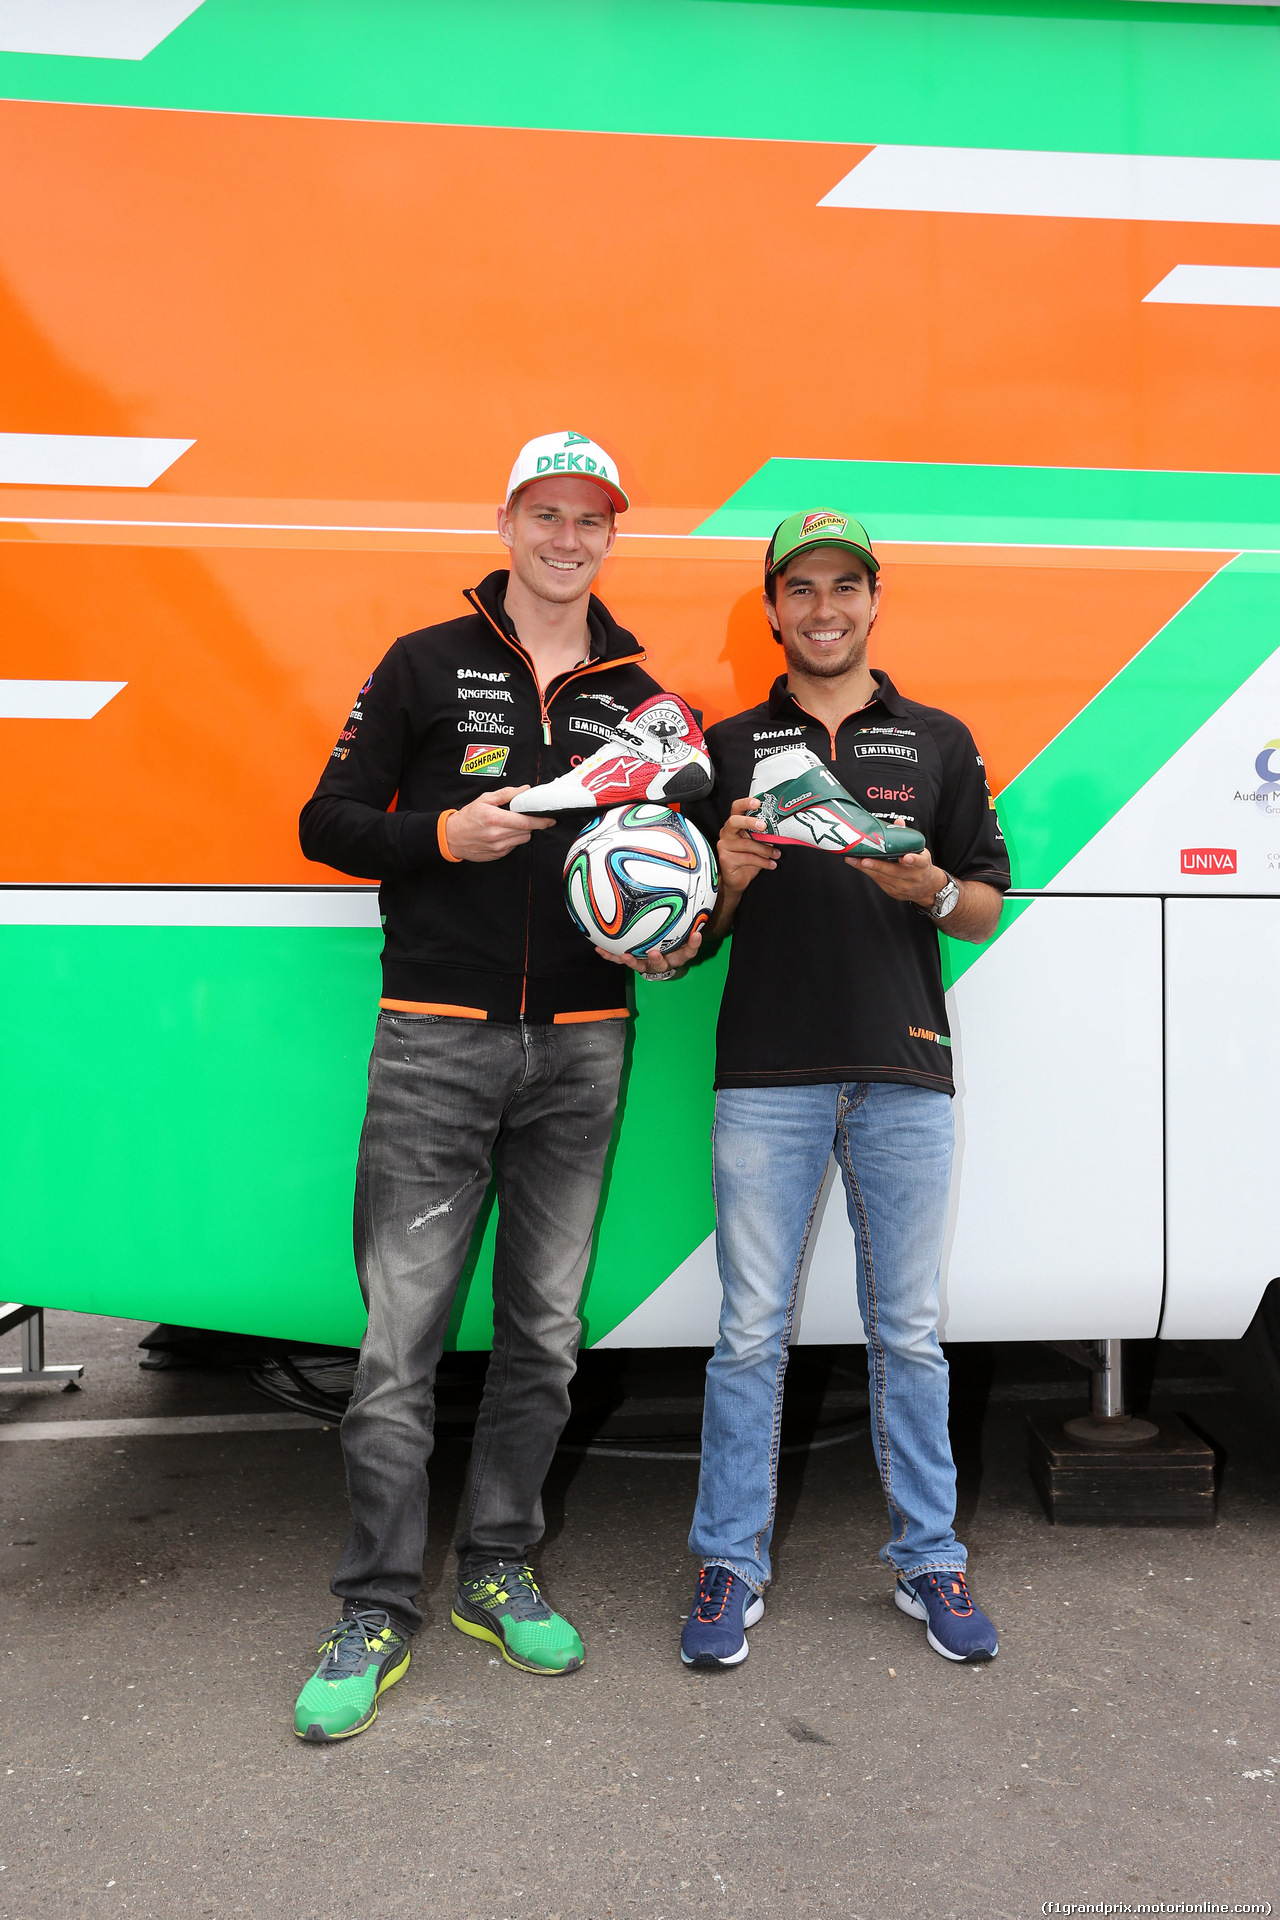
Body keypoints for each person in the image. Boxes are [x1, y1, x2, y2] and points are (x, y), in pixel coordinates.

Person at [293, 431, 700, 1742]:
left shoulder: (640, 696)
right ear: (510, 521)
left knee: (543, 1331)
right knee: (398, 1346)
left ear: (610, 535)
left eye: (591, 518)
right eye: (547, 512)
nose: (568, 536)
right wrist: (442, 838)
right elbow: (327, 823)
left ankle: (499, 1567)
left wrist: (680, 928)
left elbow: (675, 865)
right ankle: (371, 1605)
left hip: (585, 1041)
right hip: (435, 1036)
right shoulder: (426, 661)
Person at [679, 509, 1010, 1670]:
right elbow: (686, 943)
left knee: (908, 1335)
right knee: (747, 1336)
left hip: (902, 1070)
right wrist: (720, 876)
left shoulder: (935, 738)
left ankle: (929, 1560)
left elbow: (983, 903)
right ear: (770, 608)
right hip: (764, 1074)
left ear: (875, 602)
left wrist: (924, 887)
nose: (823, 610)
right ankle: (727, 1563)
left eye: (844, 587)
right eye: (800, 589)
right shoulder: (724, 748)